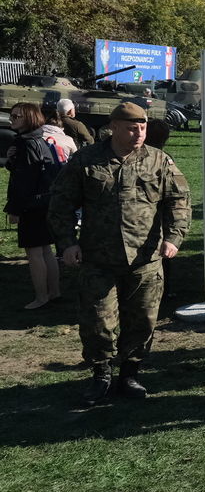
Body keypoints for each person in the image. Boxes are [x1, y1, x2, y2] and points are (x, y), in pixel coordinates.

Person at [48, 102, 191, 405]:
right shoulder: (86, 160)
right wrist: (67, 242)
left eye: (142, 127)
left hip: (145, 258)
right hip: (98, 259)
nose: (138, 133)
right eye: (131, 127)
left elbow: (178, 200)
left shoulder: (158, 161)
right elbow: (60, 203)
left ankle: (130, 374)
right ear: (113, 127)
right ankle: (101, 374)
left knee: (143, 321)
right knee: (97, 321)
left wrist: (174, 236)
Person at [4, 103, 68, 310]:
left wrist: (14, 209)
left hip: (32, 204)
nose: (12, 120)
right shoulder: (39, 139)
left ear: (29, 118)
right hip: (45, 201)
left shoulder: (27, 143)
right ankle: (54, 292)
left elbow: (24, 181)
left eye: (16, 116)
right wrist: (12, 160)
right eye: (12, 116)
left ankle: (41, 296)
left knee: (34, 253)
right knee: (45, 250)